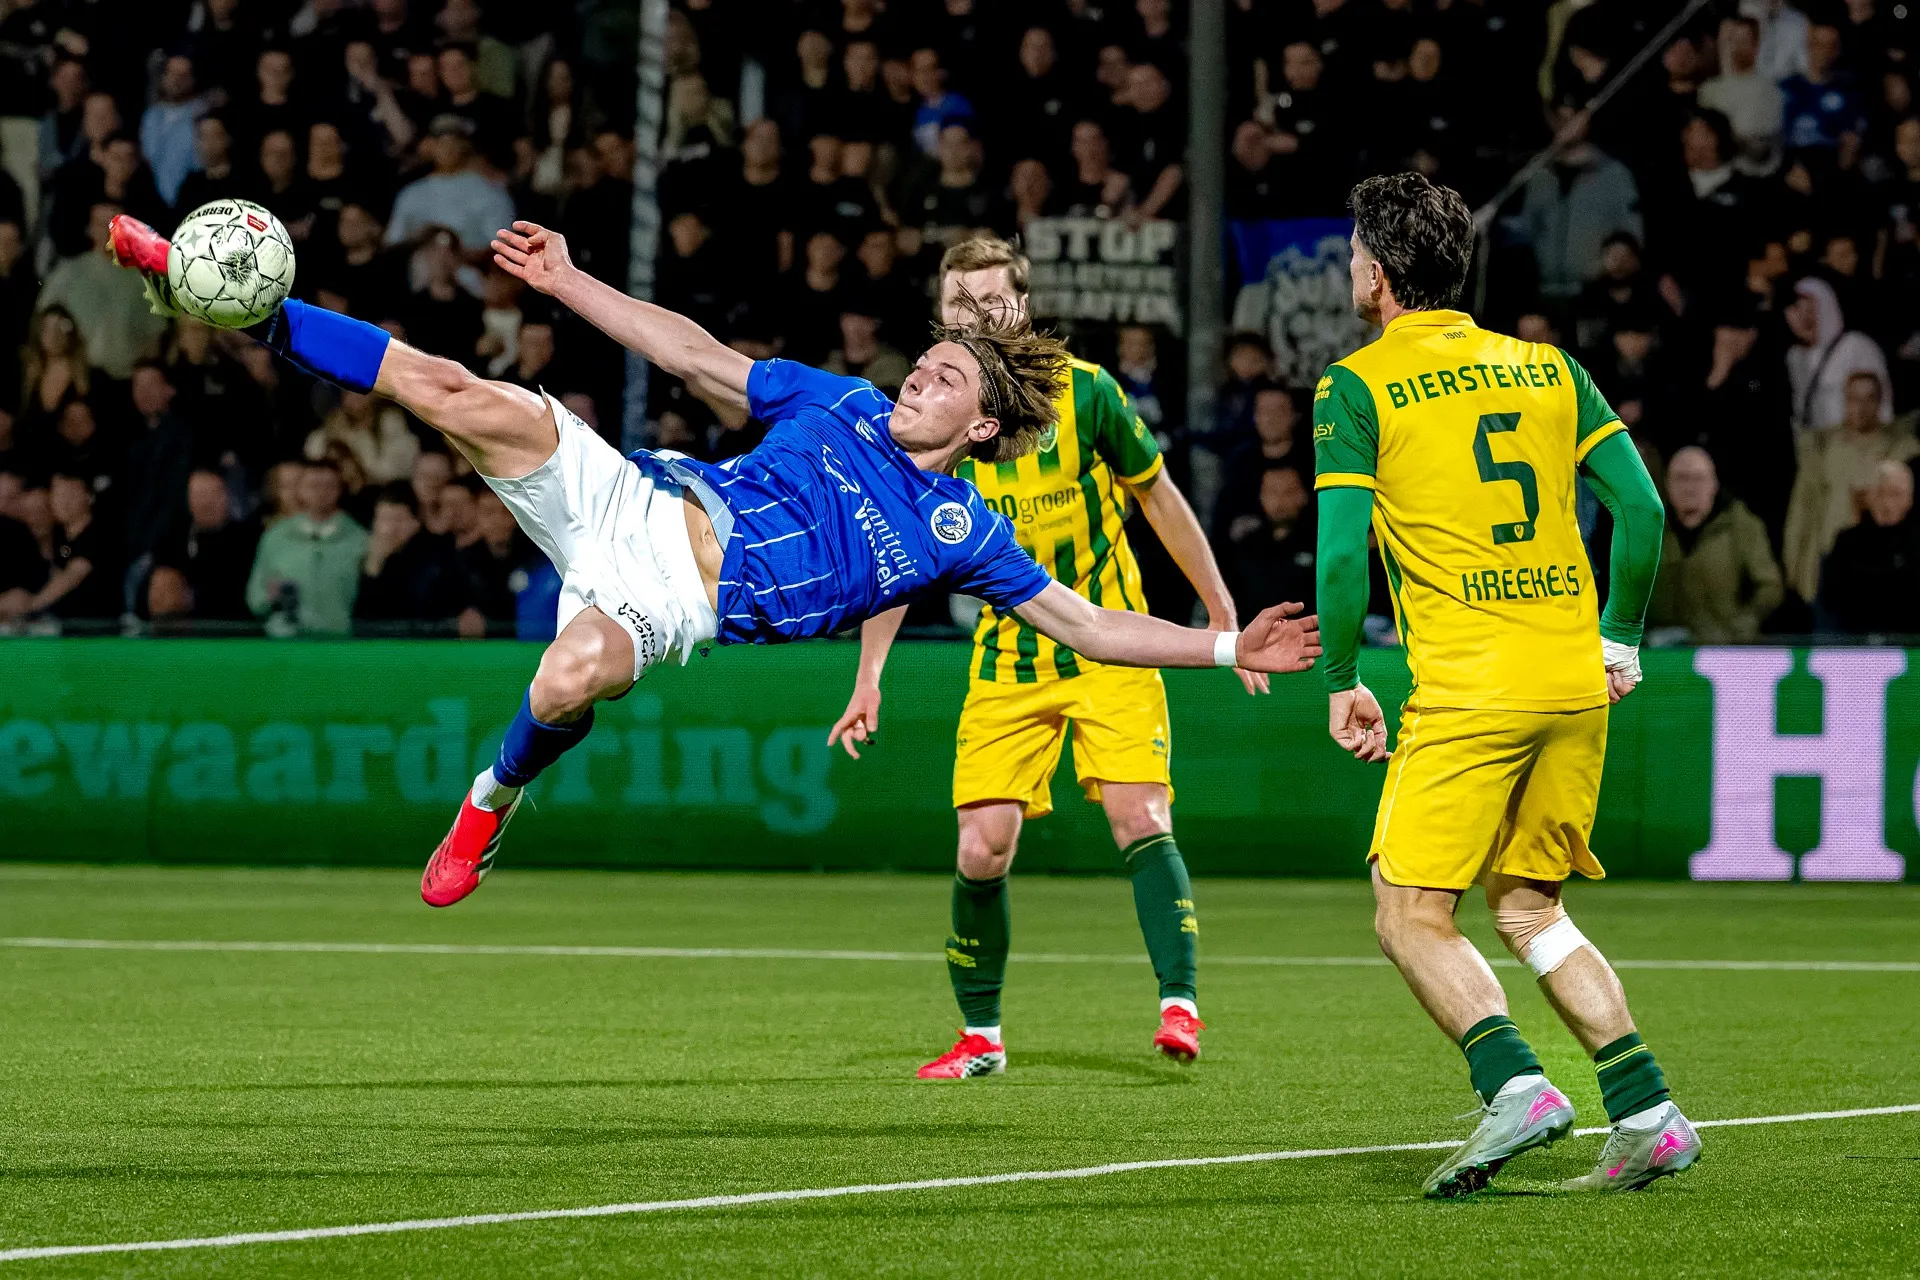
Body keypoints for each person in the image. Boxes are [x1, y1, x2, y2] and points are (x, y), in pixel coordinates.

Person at [106, 214, 1322, 913]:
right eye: (924, 358)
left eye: (946, 376)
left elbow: (1093, 625)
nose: (919, 373)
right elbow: (696, 356)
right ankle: (216, 291)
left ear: (983, 428)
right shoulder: (842, 401)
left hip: (671, 598)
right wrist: (571, 280)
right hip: (636, 492)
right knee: (452, 389)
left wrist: (1225, 643)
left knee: (568, 677)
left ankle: (492, 798)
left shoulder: (964, 534)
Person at [1312, 172, 1695, 1197]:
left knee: (1407, 909)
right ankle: (1649, 1110)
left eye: (1354, 252)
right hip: (1573, 678)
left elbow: (1343, 561)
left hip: (1473, 687)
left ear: (1380, 274)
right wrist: (1618, 635)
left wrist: (1344, 676)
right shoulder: (1549, 367)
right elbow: (1646, 512)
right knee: (1528, 905)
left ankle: (1514, 1083)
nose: (1350, 266)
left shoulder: (1355, 386)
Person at [829, 235, 1257, 1076]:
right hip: (1006, 659)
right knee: (980, 849)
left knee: (1141, 815)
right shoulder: (926, 421)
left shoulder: (1087, 395)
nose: (978, 317)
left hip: (1110, 644)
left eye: (993, 302)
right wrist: (869, 674)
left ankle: (1180, 1003)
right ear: (943, 313)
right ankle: (980, 1036)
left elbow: (1159, 498)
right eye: (961, 306)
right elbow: (899, 552)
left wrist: (1219, 610)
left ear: (1021, 305)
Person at [1647, 446, 1783, 644]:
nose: (1689, 487)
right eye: (1681, 478)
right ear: (1666, 483)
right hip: (1661, 649)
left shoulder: (1740, 525)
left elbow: (1770, 586)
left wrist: (1745, 623)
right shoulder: (1650, 526)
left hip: (1723, 650)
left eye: (1698, 478)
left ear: (1714, 484)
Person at [244, 457, 369, 636]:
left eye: (329, 486)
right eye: (314, 486)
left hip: (339, 642)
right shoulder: (276, 537)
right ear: (300, 490)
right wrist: (271, 595)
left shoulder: (358, 539)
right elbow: (255, 598)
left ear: (340, 490)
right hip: (286, 643)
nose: (321, 492)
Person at [1818, 459, 1920, 634]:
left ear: (1909, 500)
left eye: (1895, 494)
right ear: (1869, 497)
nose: (1887, 503)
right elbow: (1831, 597)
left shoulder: (1916, 543)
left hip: (1909, 645)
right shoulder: (1846, 540)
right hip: (1856, 642)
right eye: (1880, 493)